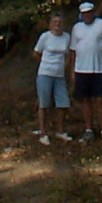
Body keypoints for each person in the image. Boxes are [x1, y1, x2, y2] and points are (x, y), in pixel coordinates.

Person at [70, 1, 102, 145]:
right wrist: (72, 71)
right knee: (85, 100)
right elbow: (73, 51)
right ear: (81, 15)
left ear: (93, 12)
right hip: (81, 70)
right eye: (84, 13)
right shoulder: (76, 28)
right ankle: (88, 129)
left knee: (100, 100)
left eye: (89, 12)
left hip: (98, 69)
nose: (87, 15)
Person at [32, 12, 73, 146]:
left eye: (59, 22)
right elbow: (36, 53)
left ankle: (60, 131)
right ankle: (43, 133)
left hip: (59, 75)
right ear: (50, 24)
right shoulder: (45, 37)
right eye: (55, 22)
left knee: (63, 103)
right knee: (44, 104)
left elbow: (69, 54)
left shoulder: (66, 37)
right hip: (45, 74)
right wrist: (45, 65)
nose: (57, 24)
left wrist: (64, 66)